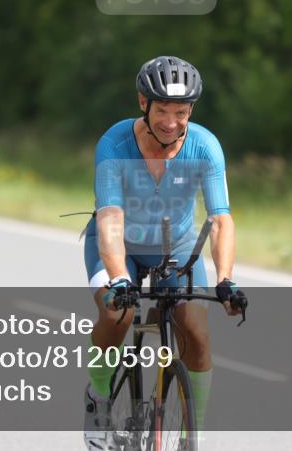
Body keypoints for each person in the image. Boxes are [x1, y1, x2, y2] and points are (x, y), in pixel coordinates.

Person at [82, 55, 248, 450]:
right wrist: (120, 277)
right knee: (116, 312)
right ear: (143, 103)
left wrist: (225, 280)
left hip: (175, 250)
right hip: (117, 243)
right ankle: (99, 398)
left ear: (191, 109)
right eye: (162, 110)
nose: (171, 121)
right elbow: (109, 218)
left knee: (197, 332)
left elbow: (221, 219)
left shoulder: (205, 148)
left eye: (181, 111)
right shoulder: (114, 143)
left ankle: (194, 433)